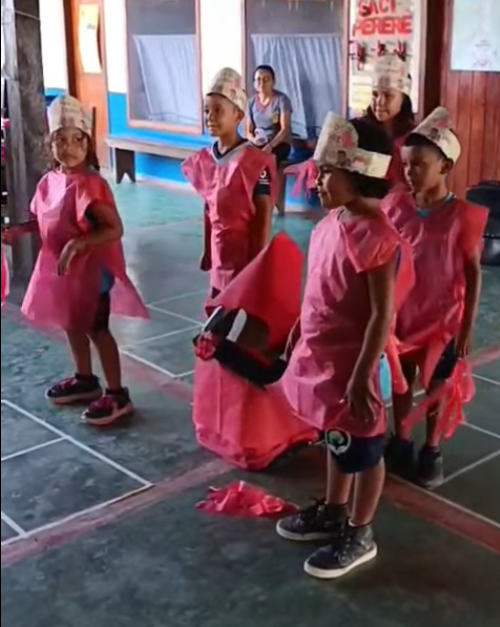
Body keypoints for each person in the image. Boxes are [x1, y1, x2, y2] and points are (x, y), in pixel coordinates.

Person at [276, 114, 415, 579]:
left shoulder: (378, 237)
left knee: (365, 451)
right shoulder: (331, 223)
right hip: (325, 360)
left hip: (357, 365)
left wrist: (360, 375)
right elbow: (320, 285)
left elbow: (381, 314)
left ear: (358, 173)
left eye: (326, 172)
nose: (315, 181)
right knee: (337, 439)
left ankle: (361, 530)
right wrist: (300, 326)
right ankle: (335, 510)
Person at [1, 95, 148, 426]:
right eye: (61, 140)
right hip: (63, 270)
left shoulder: (90, 186)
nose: (68, 147)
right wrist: (20, 231)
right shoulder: (50, 182)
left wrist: (79, 243)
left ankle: (117, 393)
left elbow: (113, 228)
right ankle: (85, 379)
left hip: (91, 272)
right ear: (50, 144)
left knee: (97, 327)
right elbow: (43, 220)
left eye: (76, 140)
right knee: (71, 322)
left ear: (87, 143)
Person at [383, 107, 489, 489]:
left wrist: (466, 328)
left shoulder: (462, 215)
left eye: (419, 165)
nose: (410, 172)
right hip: (401, 315)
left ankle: (431, 449)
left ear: (445, 166)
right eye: (406, 164)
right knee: (401, 381)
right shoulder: (396, 207)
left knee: (438, 386)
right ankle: (401, 440)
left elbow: (473, 273)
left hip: (442, 320)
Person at [182, 67, 276, 298]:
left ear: (238, 116)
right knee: (218, 305)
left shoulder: (253, 160)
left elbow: (263, 213)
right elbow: (209, 208)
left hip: (244, 252)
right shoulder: (206, 159)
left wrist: (258, 261)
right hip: (219, 250)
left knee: (244, 306)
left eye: (218, 110)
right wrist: (207, 250)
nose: (210, 117)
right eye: (207, 110)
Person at [287, 53, 415, 198]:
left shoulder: (415, 139)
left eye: (388, 95)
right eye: (375, 94)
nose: (379, 101)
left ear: (404, 98)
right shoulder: (354, 130)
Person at [246, 65, 293, 214]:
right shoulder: (251, 102)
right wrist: (253, 140)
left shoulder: (281, 100)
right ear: (254, 83)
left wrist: (270, 146)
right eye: (258, 79)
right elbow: (248, 131)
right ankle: (250, 200)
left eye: (266, 79)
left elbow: (285, 129)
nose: (262, 83)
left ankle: (269, 201)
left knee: (267, 160)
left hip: (279, 143)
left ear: (273, 81)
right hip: (259, 143)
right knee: (243, 158)